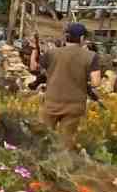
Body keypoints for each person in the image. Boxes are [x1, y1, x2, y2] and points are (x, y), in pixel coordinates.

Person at [40, 22, 102, 153]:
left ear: (66, 37)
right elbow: (96, 82)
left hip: (51, 102)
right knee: (66, 141)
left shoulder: (52, 53)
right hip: (74, 105)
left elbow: (36, 68)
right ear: (81, 39)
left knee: (43, 137)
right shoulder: (91, 56)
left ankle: (39, 163)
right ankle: (62, 167)